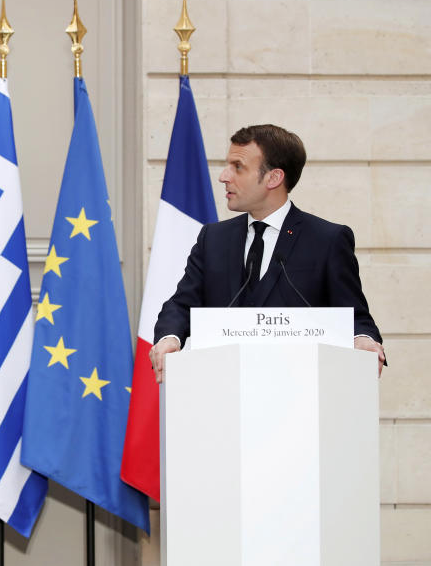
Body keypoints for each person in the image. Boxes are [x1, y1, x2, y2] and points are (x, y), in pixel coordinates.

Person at [151, 124, 385, 381]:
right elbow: (182, 304)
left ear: (273, 178)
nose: (224, 176)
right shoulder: (213, 238)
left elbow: (354, 316)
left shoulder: (327, 239)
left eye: (237, 167)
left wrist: (363, 339)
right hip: (221, 392)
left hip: (300, 395)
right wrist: (169, 337)